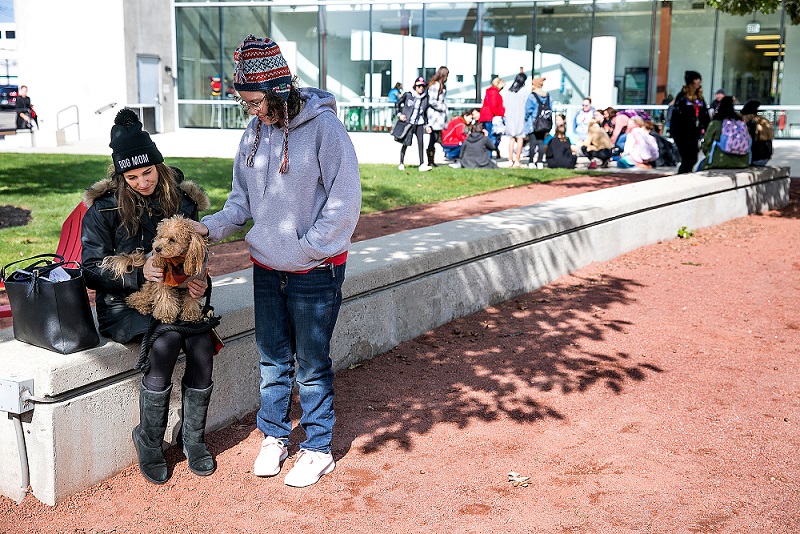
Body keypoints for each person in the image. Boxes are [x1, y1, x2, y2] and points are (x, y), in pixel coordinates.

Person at [191, 35, 361, 488]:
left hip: (315, 268)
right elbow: (240, 202)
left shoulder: (326, 129)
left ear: (278, 89)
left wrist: (308, 247)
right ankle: (274, 435)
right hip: (267, 268)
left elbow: (345, 203)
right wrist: (208, 227)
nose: (253, 112)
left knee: (311, 361)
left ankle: (318, 447)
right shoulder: (253, 133)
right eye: (247, 105)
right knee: (272, 359)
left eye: (256, 103)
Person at [82, 108, 216, 485]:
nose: (142, 181)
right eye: (132, 176)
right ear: (120, 175)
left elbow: (200, 255)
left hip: (178, 297)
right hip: (124, 304)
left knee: (202, 346)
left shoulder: (182, 202)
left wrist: (201, 282)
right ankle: (149, 439)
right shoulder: (104, 209)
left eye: (148, 172)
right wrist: (137, 273)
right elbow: (90, 268)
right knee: (168, 339)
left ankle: (192, 438)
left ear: (159, 164)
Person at [670, 70, 710, 174]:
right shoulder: (682, 97)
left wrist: (707, 127)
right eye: (696, 79)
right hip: (682, 132)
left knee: (693, 156)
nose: (699, 81)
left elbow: (704, 114)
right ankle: (682, 176)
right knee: (688, 157)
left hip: (694, 133)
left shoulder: (699, 97)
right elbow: (678, 115)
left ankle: (685, 174)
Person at [698, 95, 750, 170]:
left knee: (700, 167)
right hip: (742, 162)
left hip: (718, 162)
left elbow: (706, 143)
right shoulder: (740, 123)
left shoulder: (716, 123)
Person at [396, 76, 432, 171]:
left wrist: (427, 125)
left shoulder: (425, 98)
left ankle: (421, 164)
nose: (421, 88)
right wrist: (400, 114)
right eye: (419, 86)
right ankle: (401, 162)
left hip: (419, 123)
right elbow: (397, 104)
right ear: (415, 86)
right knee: (406, 142)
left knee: (421, 143)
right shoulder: (408, 95)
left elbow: (425, 113)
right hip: (409, 123)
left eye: (422, 86)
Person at [503, 70, 528, 167]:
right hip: (520, 116)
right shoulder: (524, 91)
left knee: (511, 139)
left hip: (510, 117)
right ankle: (517, 159)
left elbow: (504, 104)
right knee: (520, 138)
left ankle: (510, 159)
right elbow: (526, 104)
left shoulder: (509, 91)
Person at [524, 77, 550, 169]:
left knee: (532, 143)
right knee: (541, 142)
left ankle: (531, 162)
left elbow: (528, 110)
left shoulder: (532, 96)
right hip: (543, 122)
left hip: (533, 123)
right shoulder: (547, 96)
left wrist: (526, 119)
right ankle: (540, 162)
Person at [426, 66, 449, 167]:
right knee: (434, 138)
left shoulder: (441, 85)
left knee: (437, 138)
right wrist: (443, 107)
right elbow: (432, 101)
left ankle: (432, 160)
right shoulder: (435, 85)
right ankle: (430, 160)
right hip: (434, 117)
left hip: (438, 117)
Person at [479, 77, 506, 159]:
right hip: (491, 117)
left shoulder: (489, 92)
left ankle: (489, 153)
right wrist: (501, 113)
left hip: (485, 116)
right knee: (492, 136)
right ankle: (489, 155)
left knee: (488, 135)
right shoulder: (494, 93)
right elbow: (494, 106)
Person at [741, 100, 773, 166]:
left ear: (748, 115)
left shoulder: (752, 124)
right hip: (766, 157)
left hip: (756, 158)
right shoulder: (764, 121)